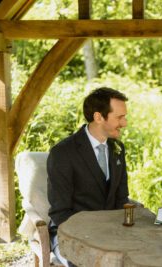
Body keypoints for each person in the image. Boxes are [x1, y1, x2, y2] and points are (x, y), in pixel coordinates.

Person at [47, 87, 130, 266]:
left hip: (110, 233)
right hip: (71, 235)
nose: (124, 123)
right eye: (119, 117)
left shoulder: (118, 149)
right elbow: (60, 212)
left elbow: (121, 197)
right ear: (98, 117)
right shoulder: (63, 153)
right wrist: (97, 235)